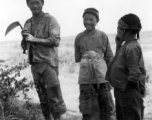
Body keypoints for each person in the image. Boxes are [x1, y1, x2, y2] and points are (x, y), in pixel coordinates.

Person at [21, 0, 66, 120]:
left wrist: (34, 39)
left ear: (42, 3)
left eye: (37, 2)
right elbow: (26, 45)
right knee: (43, 99)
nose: (35, 6)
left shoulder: (50, 20)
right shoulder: (27, 23)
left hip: (48, 64)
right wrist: (24, 39)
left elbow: (55, 41)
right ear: (28, 4)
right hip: (34, 65)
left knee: (54, 98)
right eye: (32, 3)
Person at [74, 8, 115, 120]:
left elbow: (110, 56)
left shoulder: (102, 36)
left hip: (102, 78)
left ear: (97, 21)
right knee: (87, 109)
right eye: (85, 19)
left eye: (91, 19)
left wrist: (110, 76)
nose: (88, 22)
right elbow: (77, 58)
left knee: (106, 107)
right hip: (86, 78)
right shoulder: (79, 37)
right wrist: (88, 58)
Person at [106, 13, 146, 120]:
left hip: (128, 92)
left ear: (123, 30)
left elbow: (135, 73)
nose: (117, 30)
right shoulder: (126, 46)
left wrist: (128, 91)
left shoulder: (131, 48)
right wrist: (118, 45)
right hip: (122, 91)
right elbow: (117, 62)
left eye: (118, 28)